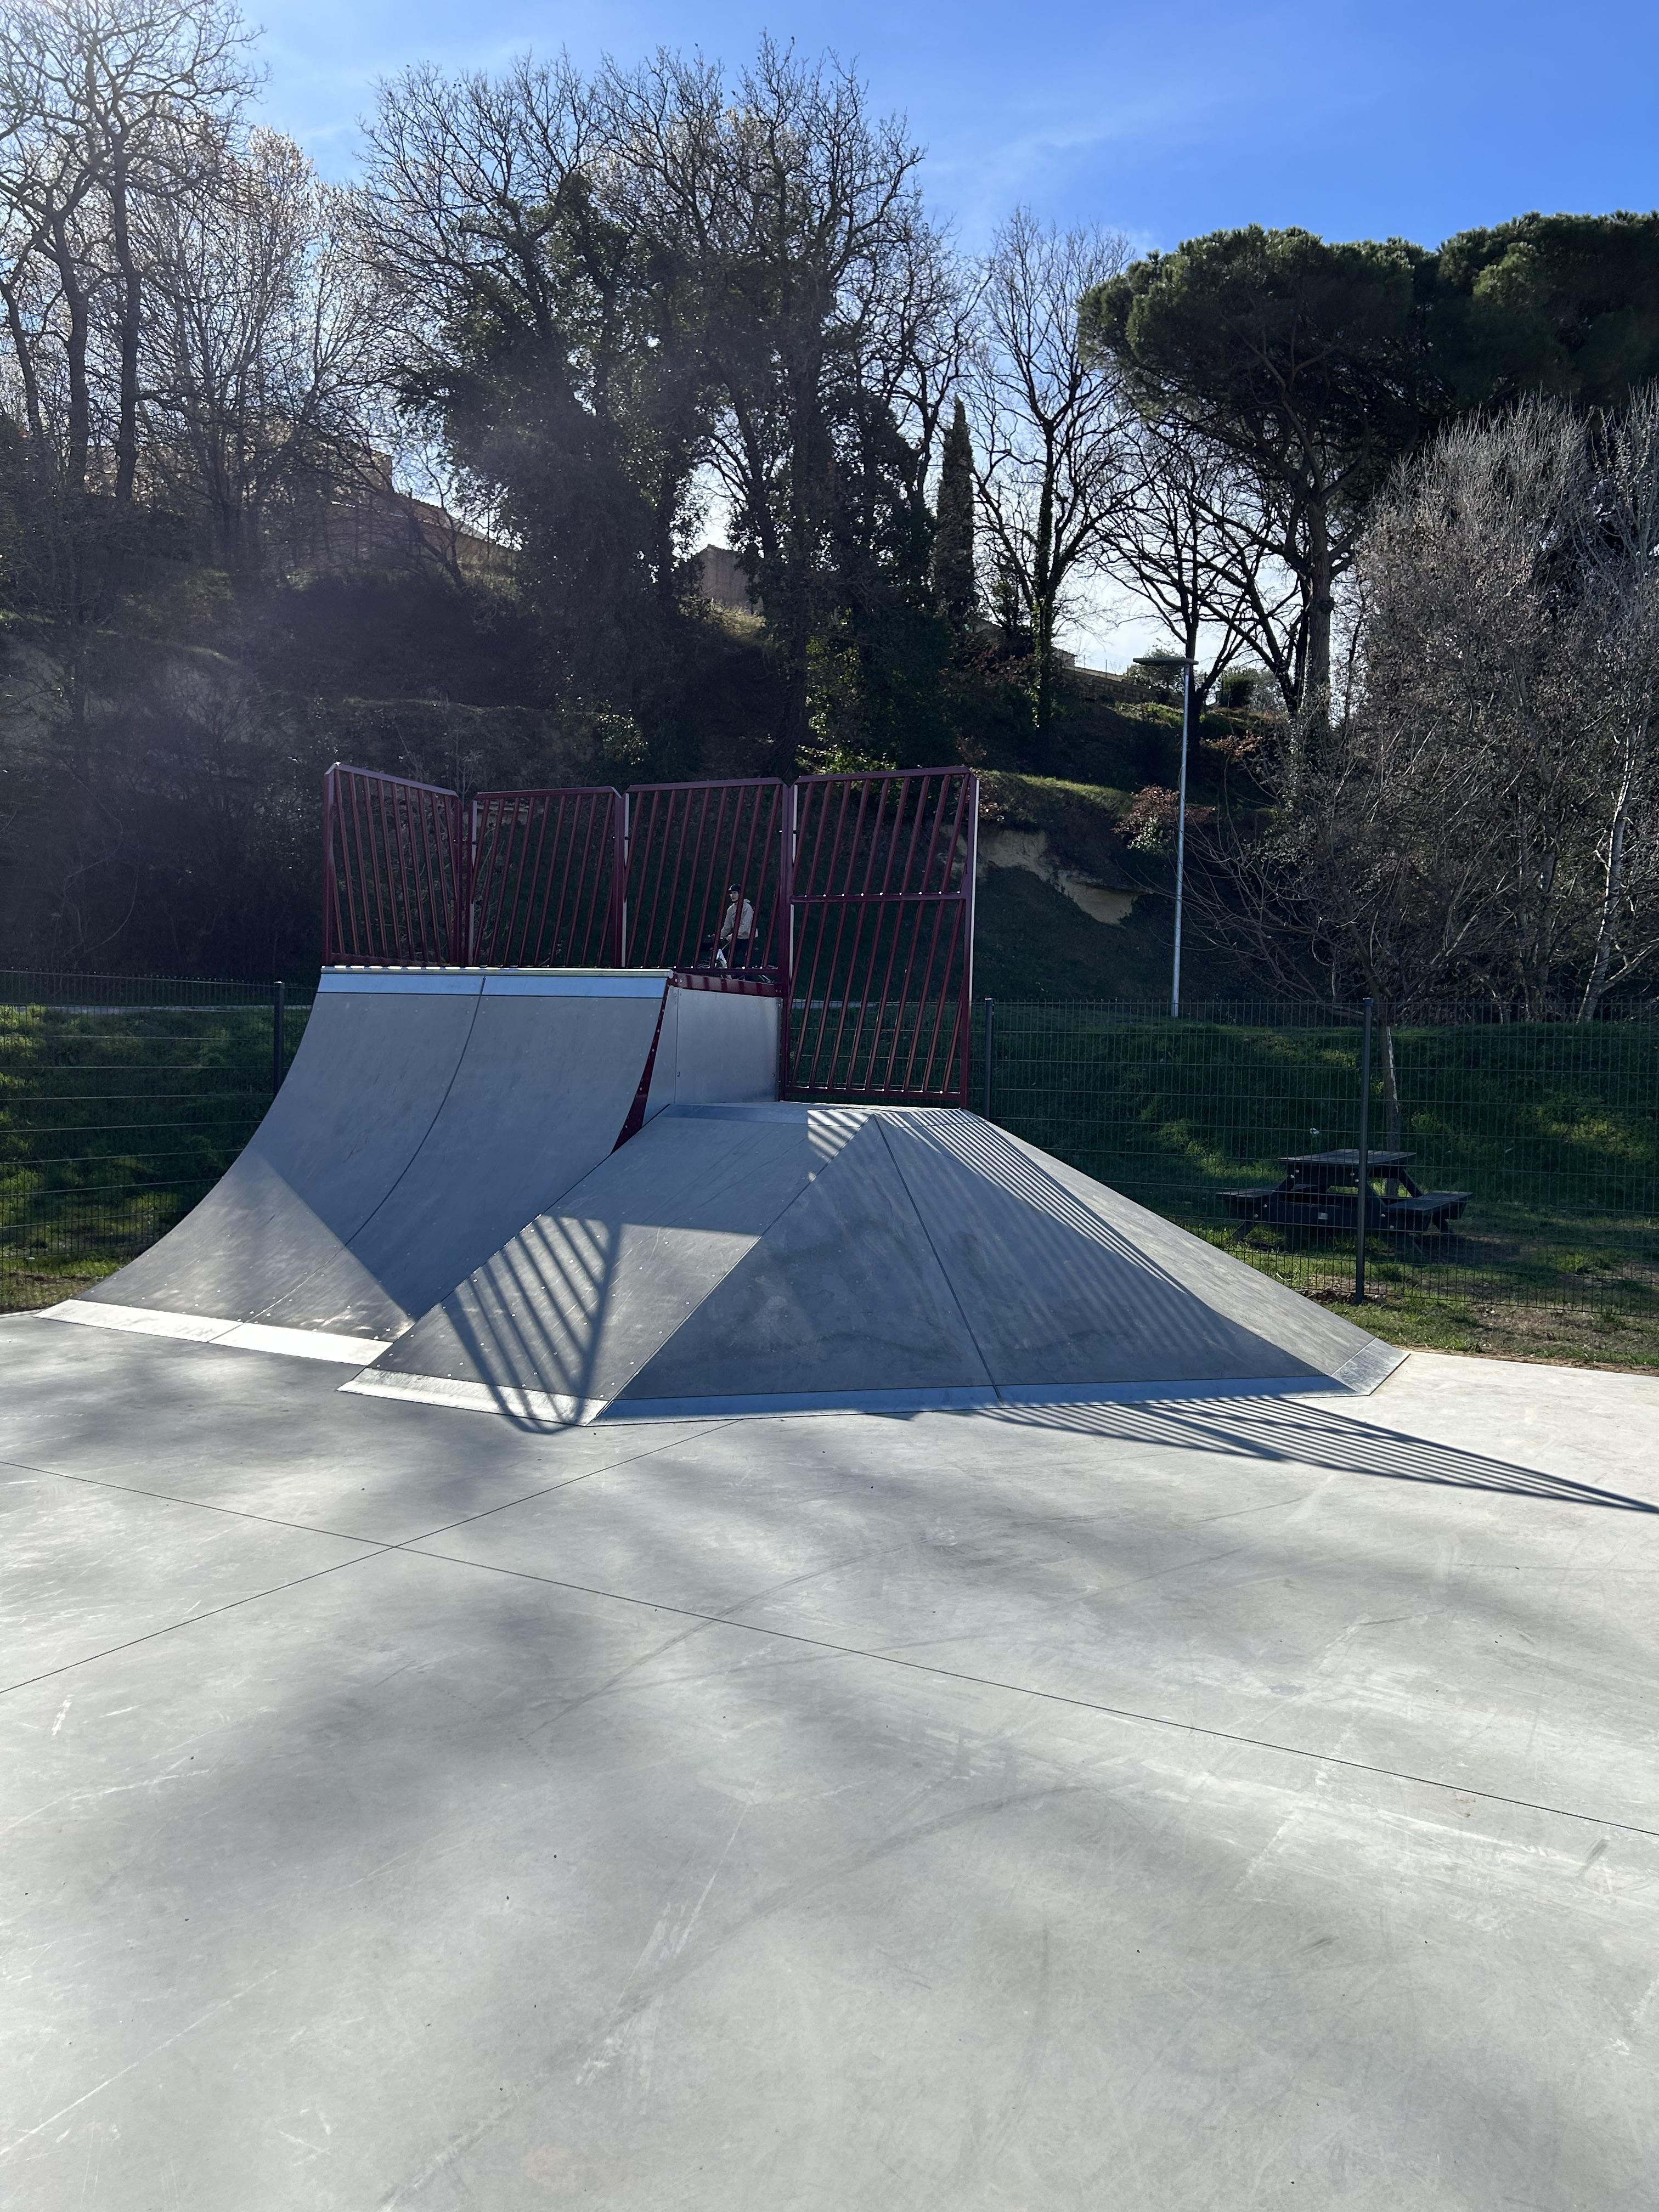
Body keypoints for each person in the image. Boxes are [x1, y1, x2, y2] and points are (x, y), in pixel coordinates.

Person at [716, 883, 755, 969]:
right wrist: (718, 936)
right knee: (724, 955)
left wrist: (732, 936)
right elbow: (727, 927)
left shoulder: (747, 907)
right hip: (738, 938)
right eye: (731, 893)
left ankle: (750, 980)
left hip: (749, 939)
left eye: (735, 893)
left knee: (748, 964)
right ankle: (733, 975)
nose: (732, 895)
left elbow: (745, 927)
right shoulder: (731, 909)